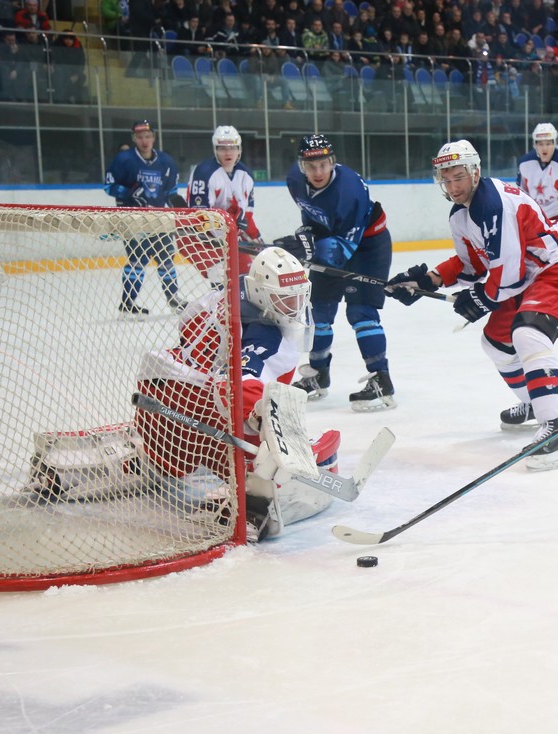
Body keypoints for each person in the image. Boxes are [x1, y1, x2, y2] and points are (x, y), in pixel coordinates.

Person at [386, 139, 558, 472]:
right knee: (495, 342)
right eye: (446, 180)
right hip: (527, 279)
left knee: (527, 333)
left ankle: (557, 431)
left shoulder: (494, 201)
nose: (453, 187)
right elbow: (473, 267)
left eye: (458, 178)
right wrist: (426, 280)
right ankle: (532, 403)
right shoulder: (461, 216)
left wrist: (480, 299)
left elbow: (507, 271)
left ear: (475, 172)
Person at [134, 246, 342, 541]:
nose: (294, 306)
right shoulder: (269, 339)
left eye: (299, 296)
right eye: (285, 299)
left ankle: (143, 458)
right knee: (263, 440)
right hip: (193, 410)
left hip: (156, 395)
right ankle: (251, 504)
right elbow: (244, 387)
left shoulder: (223, 294)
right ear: (262, 294)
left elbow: (187, 321)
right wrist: (269, 425)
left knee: (171, 464)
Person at [282, 133, 395, 411]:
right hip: (332, 240)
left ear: (333, 162)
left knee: (360, 313)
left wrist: (307, 247)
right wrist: (307, 237)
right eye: (311, 166)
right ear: (301, 167)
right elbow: (314, 218)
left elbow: (341, 251)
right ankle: (318, 376)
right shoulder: (294, 180)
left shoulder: (349, 190)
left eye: (323, 164)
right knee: (318, 311)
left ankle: (382, 380)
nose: (318, 172)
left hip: (368, 246)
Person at [103, 119, 185, 316]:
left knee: (166, 259)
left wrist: (181, 209)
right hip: (133, 220)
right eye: (140, 137)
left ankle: (174, 300)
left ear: (154, 137)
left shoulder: (166, 161)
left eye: (148, 136)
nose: (144, 140)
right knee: (137, 260)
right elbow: (109, 186)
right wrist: (129, 193)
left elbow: (171, 191)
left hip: (158, 220)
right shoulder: (124, 160)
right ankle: (127, 303)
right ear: (134, 139)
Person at [183, 125, 261, 288]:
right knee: (221, 280)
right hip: (200, 240)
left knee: (246, 278)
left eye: (233, 147)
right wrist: (231, 225)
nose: (228, 152)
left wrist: (256, 238)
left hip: (228, 237)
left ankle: (237, 313)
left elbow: (246, 216)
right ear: (215, 150)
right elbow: (200, 219)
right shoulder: (204, 173)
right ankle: (218, 312)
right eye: (222, 148)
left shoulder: (245, 176)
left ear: (239, 149)